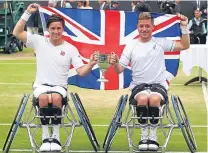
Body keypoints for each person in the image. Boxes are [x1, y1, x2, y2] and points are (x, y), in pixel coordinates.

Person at [13, 3, 98, 152]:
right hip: (40, 86)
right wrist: (27, 12)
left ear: (63, 30)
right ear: (48, 29)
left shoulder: (71, 48)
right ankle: (46, 137)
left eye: (59, 28)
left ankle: (56, 138)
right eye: (53, 28)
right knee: (45, 98)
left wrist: (90, 64)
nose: (56, 31)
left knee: (56, 98)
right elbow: (17, 32)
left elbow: (81, 72)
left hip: (60, 87)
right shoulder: (39, 41)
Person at [109, 12, 190, 151]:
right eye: (141, 26)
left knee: (153, 99)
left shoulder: (160, 42)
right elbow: (119, 69)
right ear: (137, 27)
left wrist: (184, 26)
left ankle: (153, 136)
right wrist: (115, 63)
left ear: (153, 27)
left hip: (158, 86)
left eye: (147, 26)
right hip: (138, 87)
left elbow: (184, 45)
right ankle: (143, 135)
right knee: (142, 99)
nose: (144, 29)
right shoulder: (131, 45)